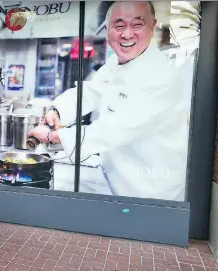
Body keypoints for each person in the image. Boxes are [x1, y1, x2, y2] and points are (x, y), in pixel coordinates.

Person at [29, 1, 189, 201]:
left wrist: (54, 135)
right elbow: (89, 93)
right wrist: (57, 110)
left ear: (152, 25)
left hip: (149, 191)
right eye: (119, 26)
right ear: (107, 30)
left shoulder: (162, 76)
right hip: (113, 177)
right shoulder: (116, 64)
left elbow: (113, 130)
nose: (127, 34)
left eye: (137, 24)